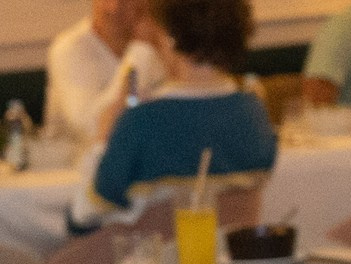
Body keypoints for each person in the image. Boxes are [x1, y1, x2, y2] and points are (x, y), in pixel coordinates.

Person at [79, 0, 277, 223]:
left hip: (151, 253)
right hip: (229, 252)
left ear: (169, 36)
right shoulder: (255, 113)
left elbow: (86, 214)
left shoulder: (141, 120)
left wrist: (102, 141)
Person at [45, 0, 165, 143]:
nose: (113, 8)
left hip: (145, 156)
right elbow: (90, 128)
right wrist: (140, 51)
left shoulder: (164, 45)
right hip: (77, 161)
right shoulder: (70, 49)